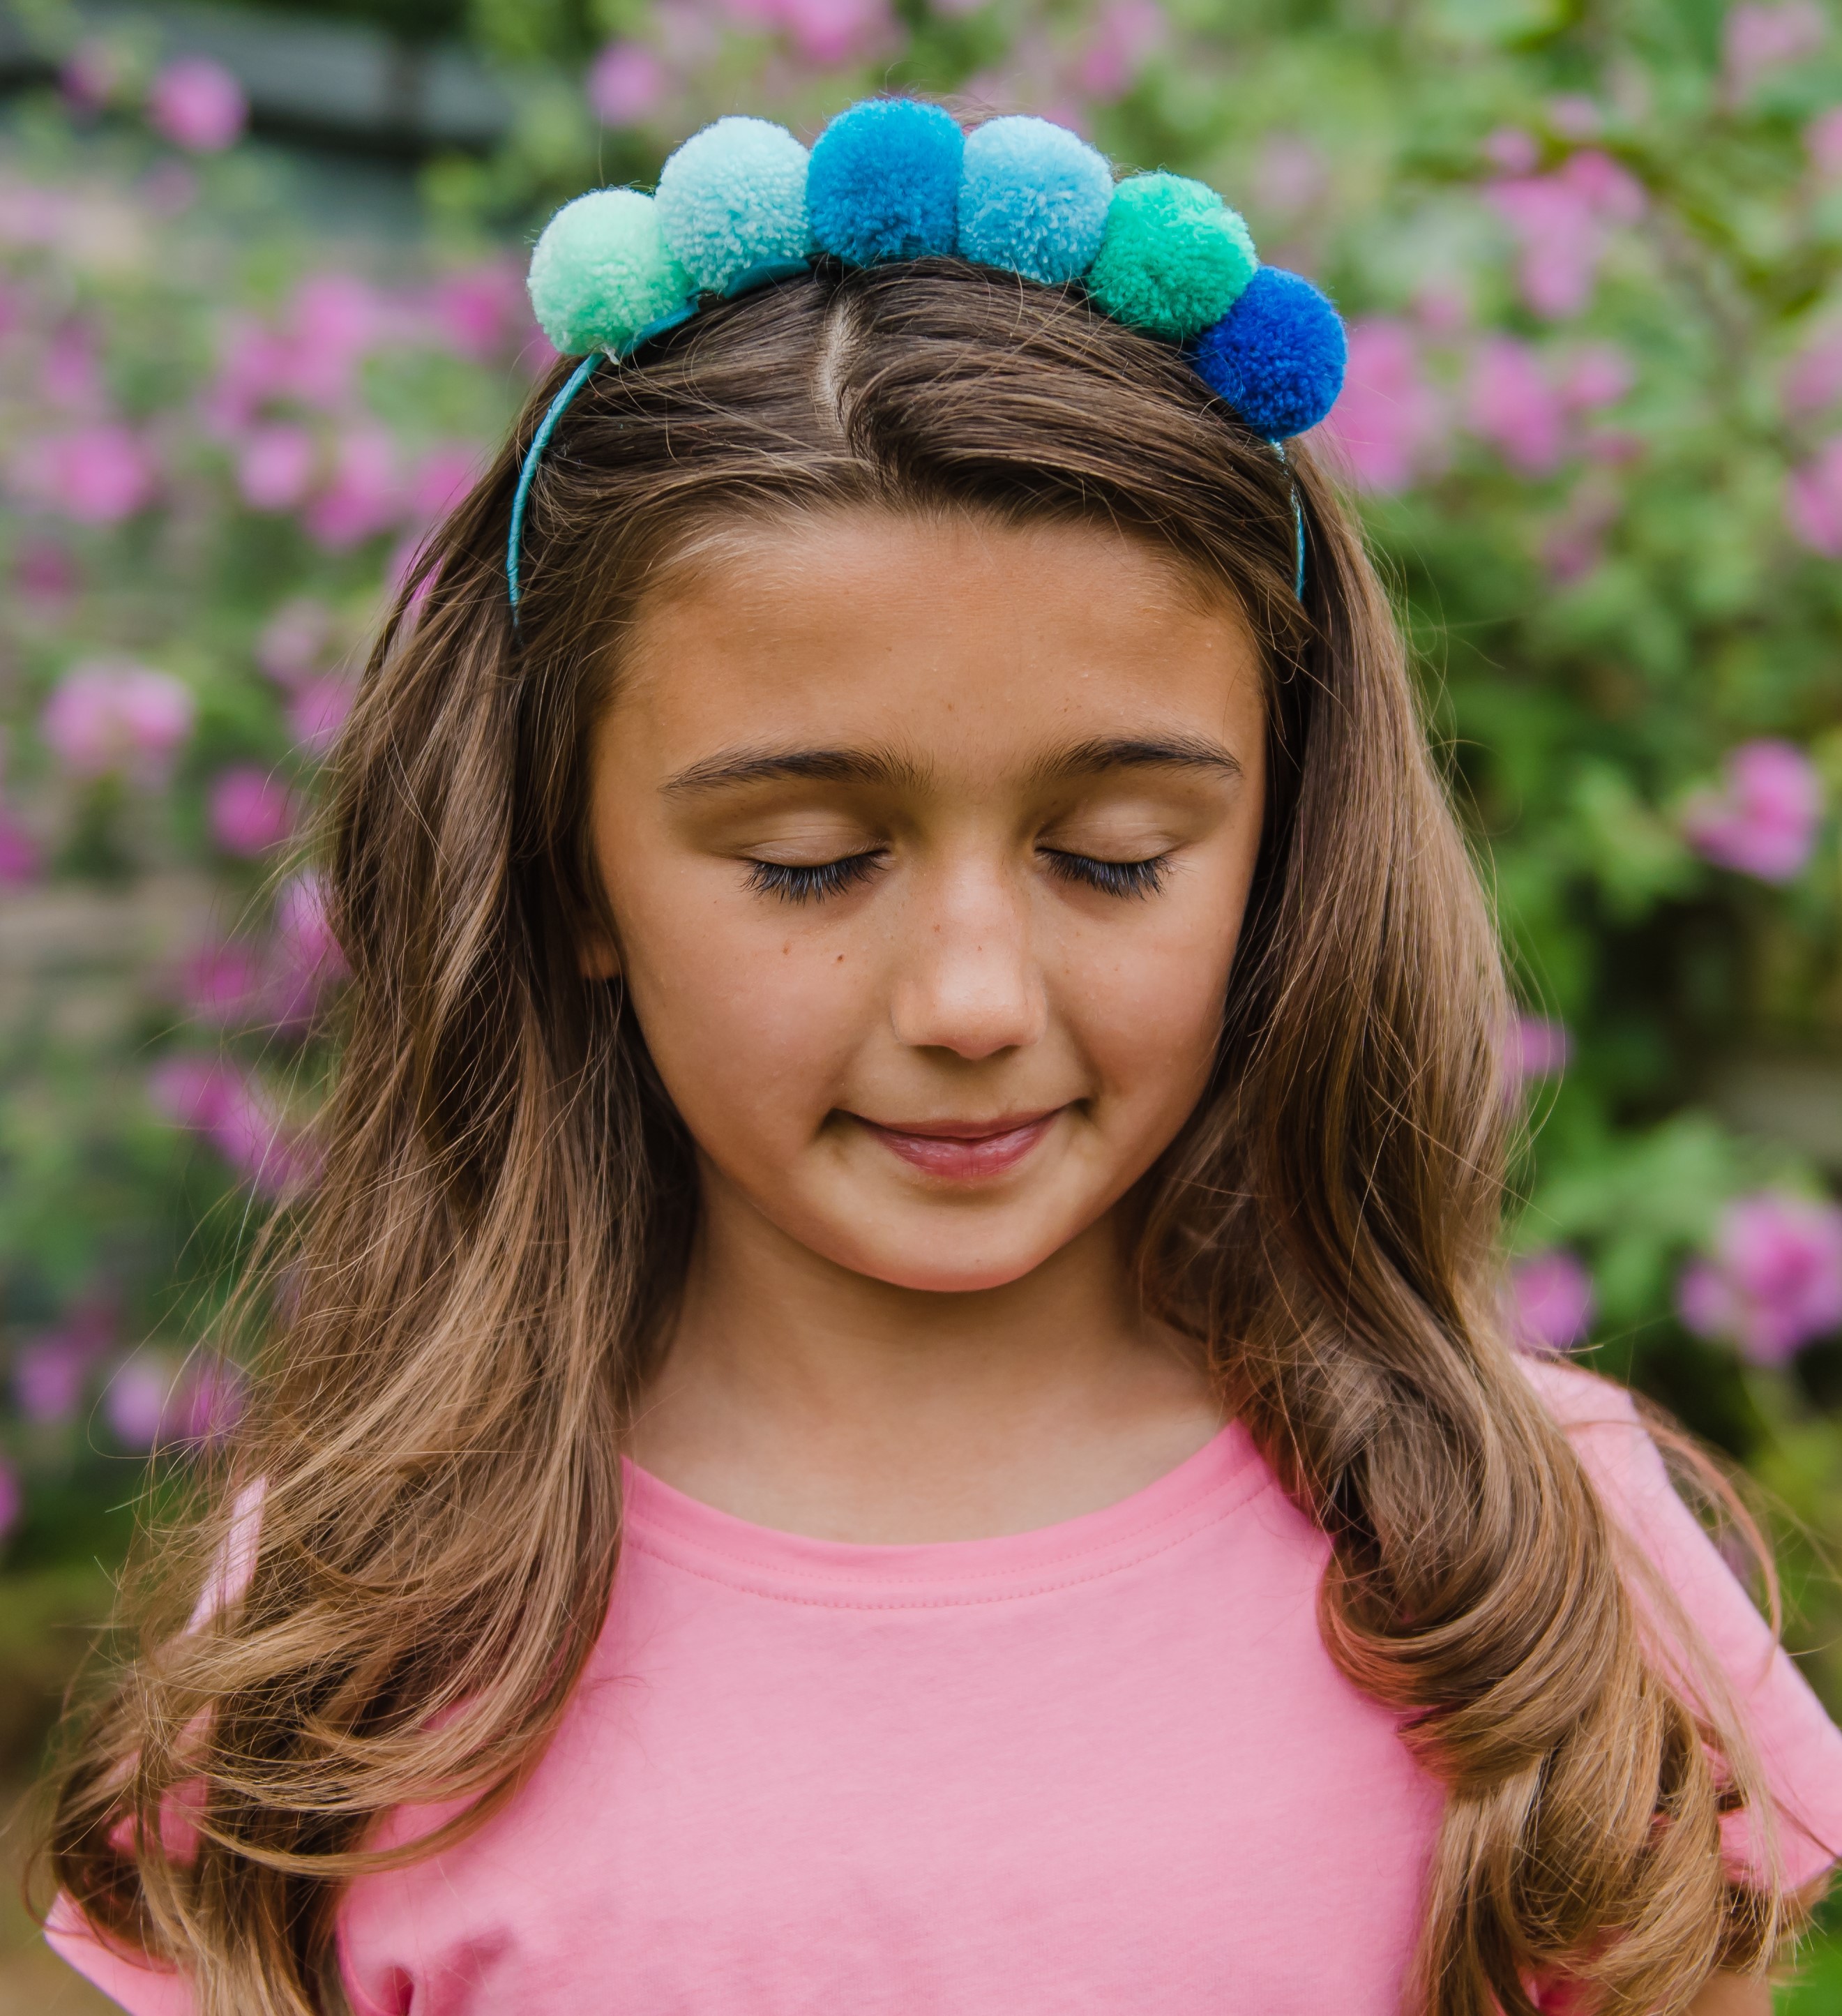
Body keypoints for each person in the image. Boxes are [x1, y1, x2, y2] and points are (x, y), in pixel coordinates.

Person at [36, 98, 1842, 2016]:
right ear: (571, 864)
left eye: (1111, 857)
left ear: (1282, 845)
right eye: (810, 862)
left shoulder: (1529, 1568)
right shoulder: (363, 1627)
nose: (971, 995)